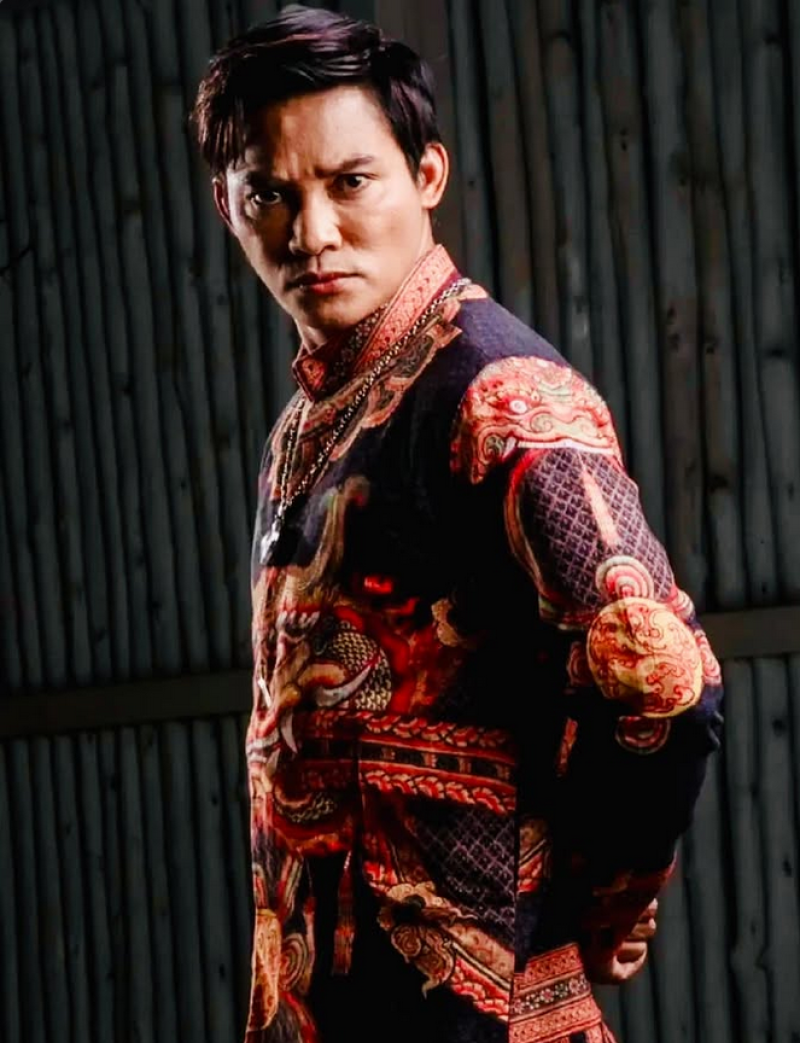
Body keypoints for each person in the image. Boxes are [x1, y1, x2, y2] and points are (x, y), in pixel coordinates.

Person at [192, 7, 724, 1041]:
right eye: (270, 194)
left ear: (425, 174)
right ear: (228, 206)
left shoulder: (494, 390)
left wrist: (604, 892)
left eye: (351, 182)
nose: (312, 233)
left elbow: (659, 676)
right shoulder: (307, 420)